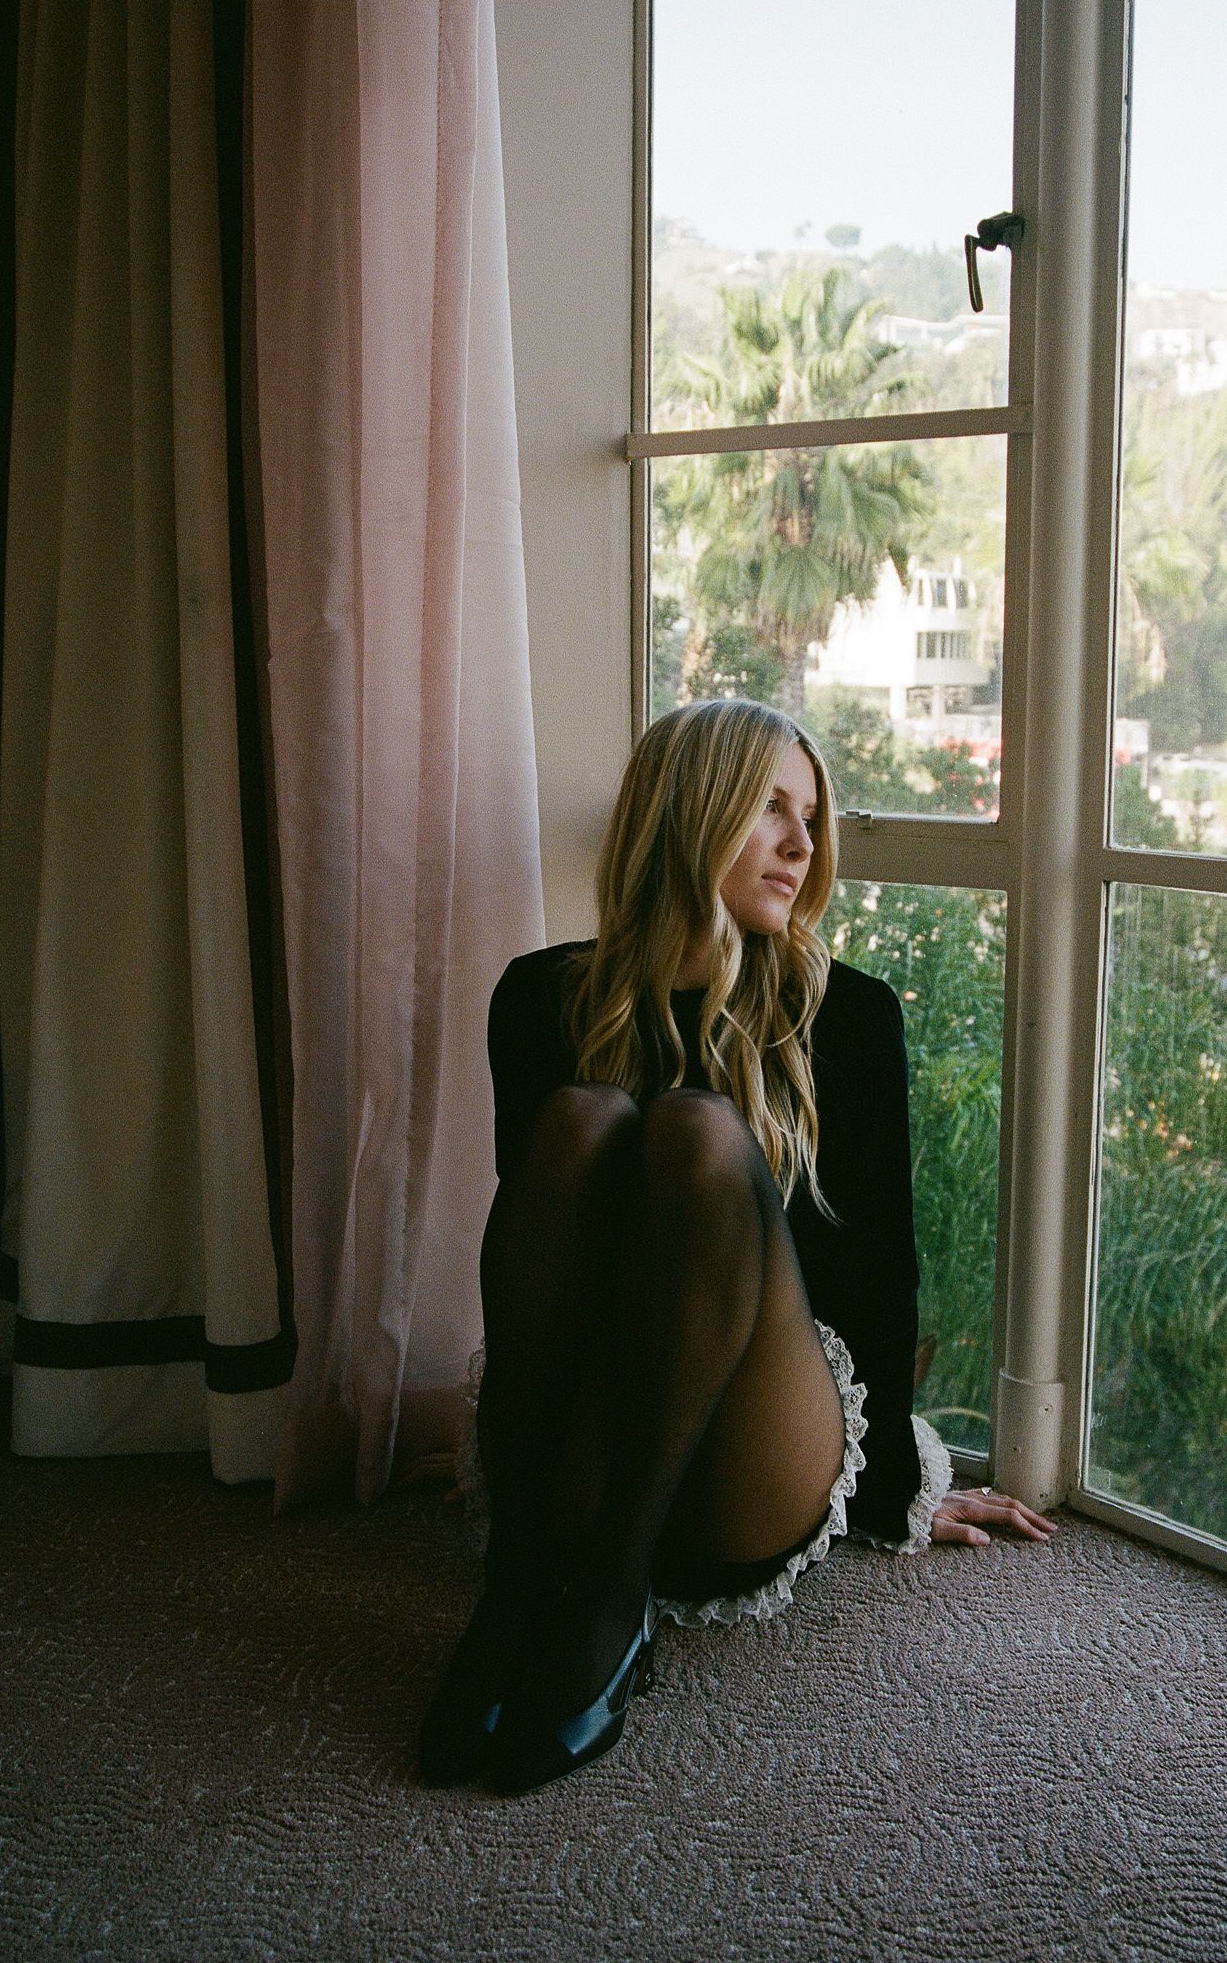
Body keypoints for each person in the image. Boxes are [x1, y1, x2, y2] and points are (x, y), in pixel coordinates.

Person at [419, 698, 1055, 1795]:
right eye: (769, 808)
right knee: (579, 1123)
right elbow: (537, 1284)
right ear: (686, 810)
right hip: (588, 1447)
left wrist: (893, 1488)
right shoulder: (540, 997)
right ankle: (519, 1582)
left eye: (809, 817)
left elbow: (877, 1280)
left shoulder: (849, 1016)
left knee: (696, 1132)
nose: (803, 845)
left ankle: (609, 1605)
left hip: (754, 1468)